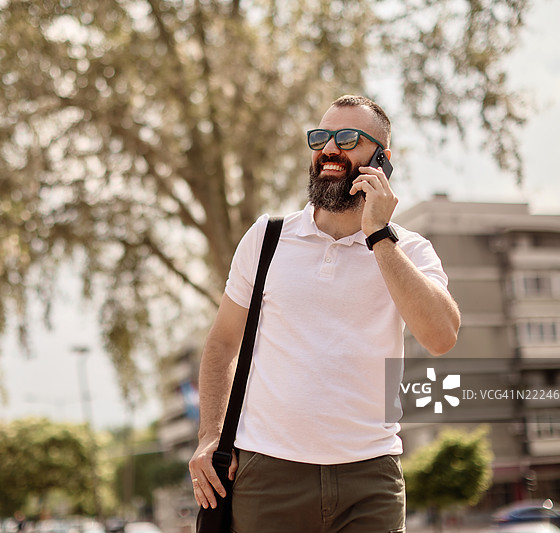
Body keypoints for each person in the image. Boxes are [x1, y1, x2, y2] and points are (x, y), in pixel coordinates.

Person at [188, 95, 461, 532]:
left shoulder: (408, 250)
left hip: (370, 478)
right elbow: (221, 344)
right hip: (267, 475)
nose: (330, 149)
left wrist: (378, 235)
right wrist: (209, 434)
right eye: (321, 138)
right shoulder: (266, 239)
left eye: (348, 139)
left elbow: (442, 336)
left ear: (382, 160)